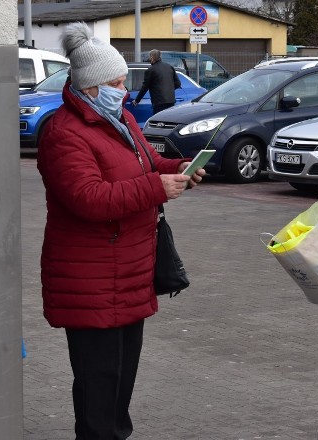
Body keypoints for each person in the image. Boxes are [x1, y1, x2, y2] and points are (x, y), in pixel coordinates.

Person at [37, 22, 205, 440]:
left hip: (129, 274)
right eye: (115, 83)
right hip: (90, 281)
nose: (123, 90)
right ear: (91, 88)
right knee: (98, 388)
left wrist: (178, 170)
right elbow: (88, 198)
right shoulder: (64, 133)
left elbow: (146, 164)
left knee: (119, 387)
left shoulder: (121, 118)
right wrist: (155, 188)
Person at [132, 49, 181, 114]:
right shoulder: (169, 67)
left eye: (150, 57)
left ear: (152, 57)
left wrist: (137, 100)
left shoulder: (150, 70)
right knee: (169, 121)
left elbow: (145, 87)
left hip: (158, 102)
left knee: (159, 121)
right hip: (171, 101)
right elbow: (178, 83)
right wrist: (169, 89)